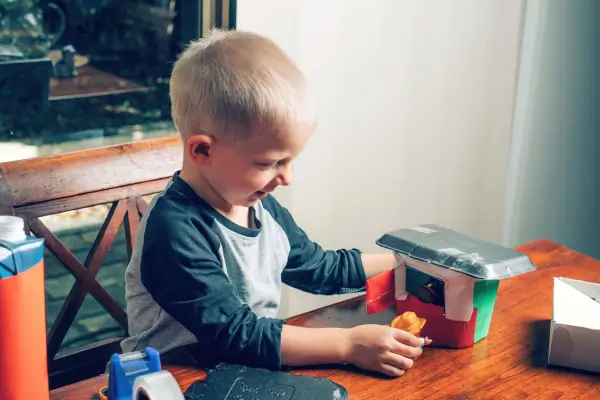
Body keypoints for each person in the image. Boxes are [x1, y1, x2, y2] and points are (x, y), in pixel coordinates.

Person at [121, 28, 430, 378]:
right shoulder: (175, 228)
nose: (287, 178)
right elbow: (233, 334)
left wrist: (406, 262)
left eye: (290, 161)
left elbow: (319, 268)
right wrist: (348, 345)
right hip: (169, 378)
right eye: (269, 163)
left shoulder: (259, 207)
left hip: (242, 370)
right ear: (203, 150)